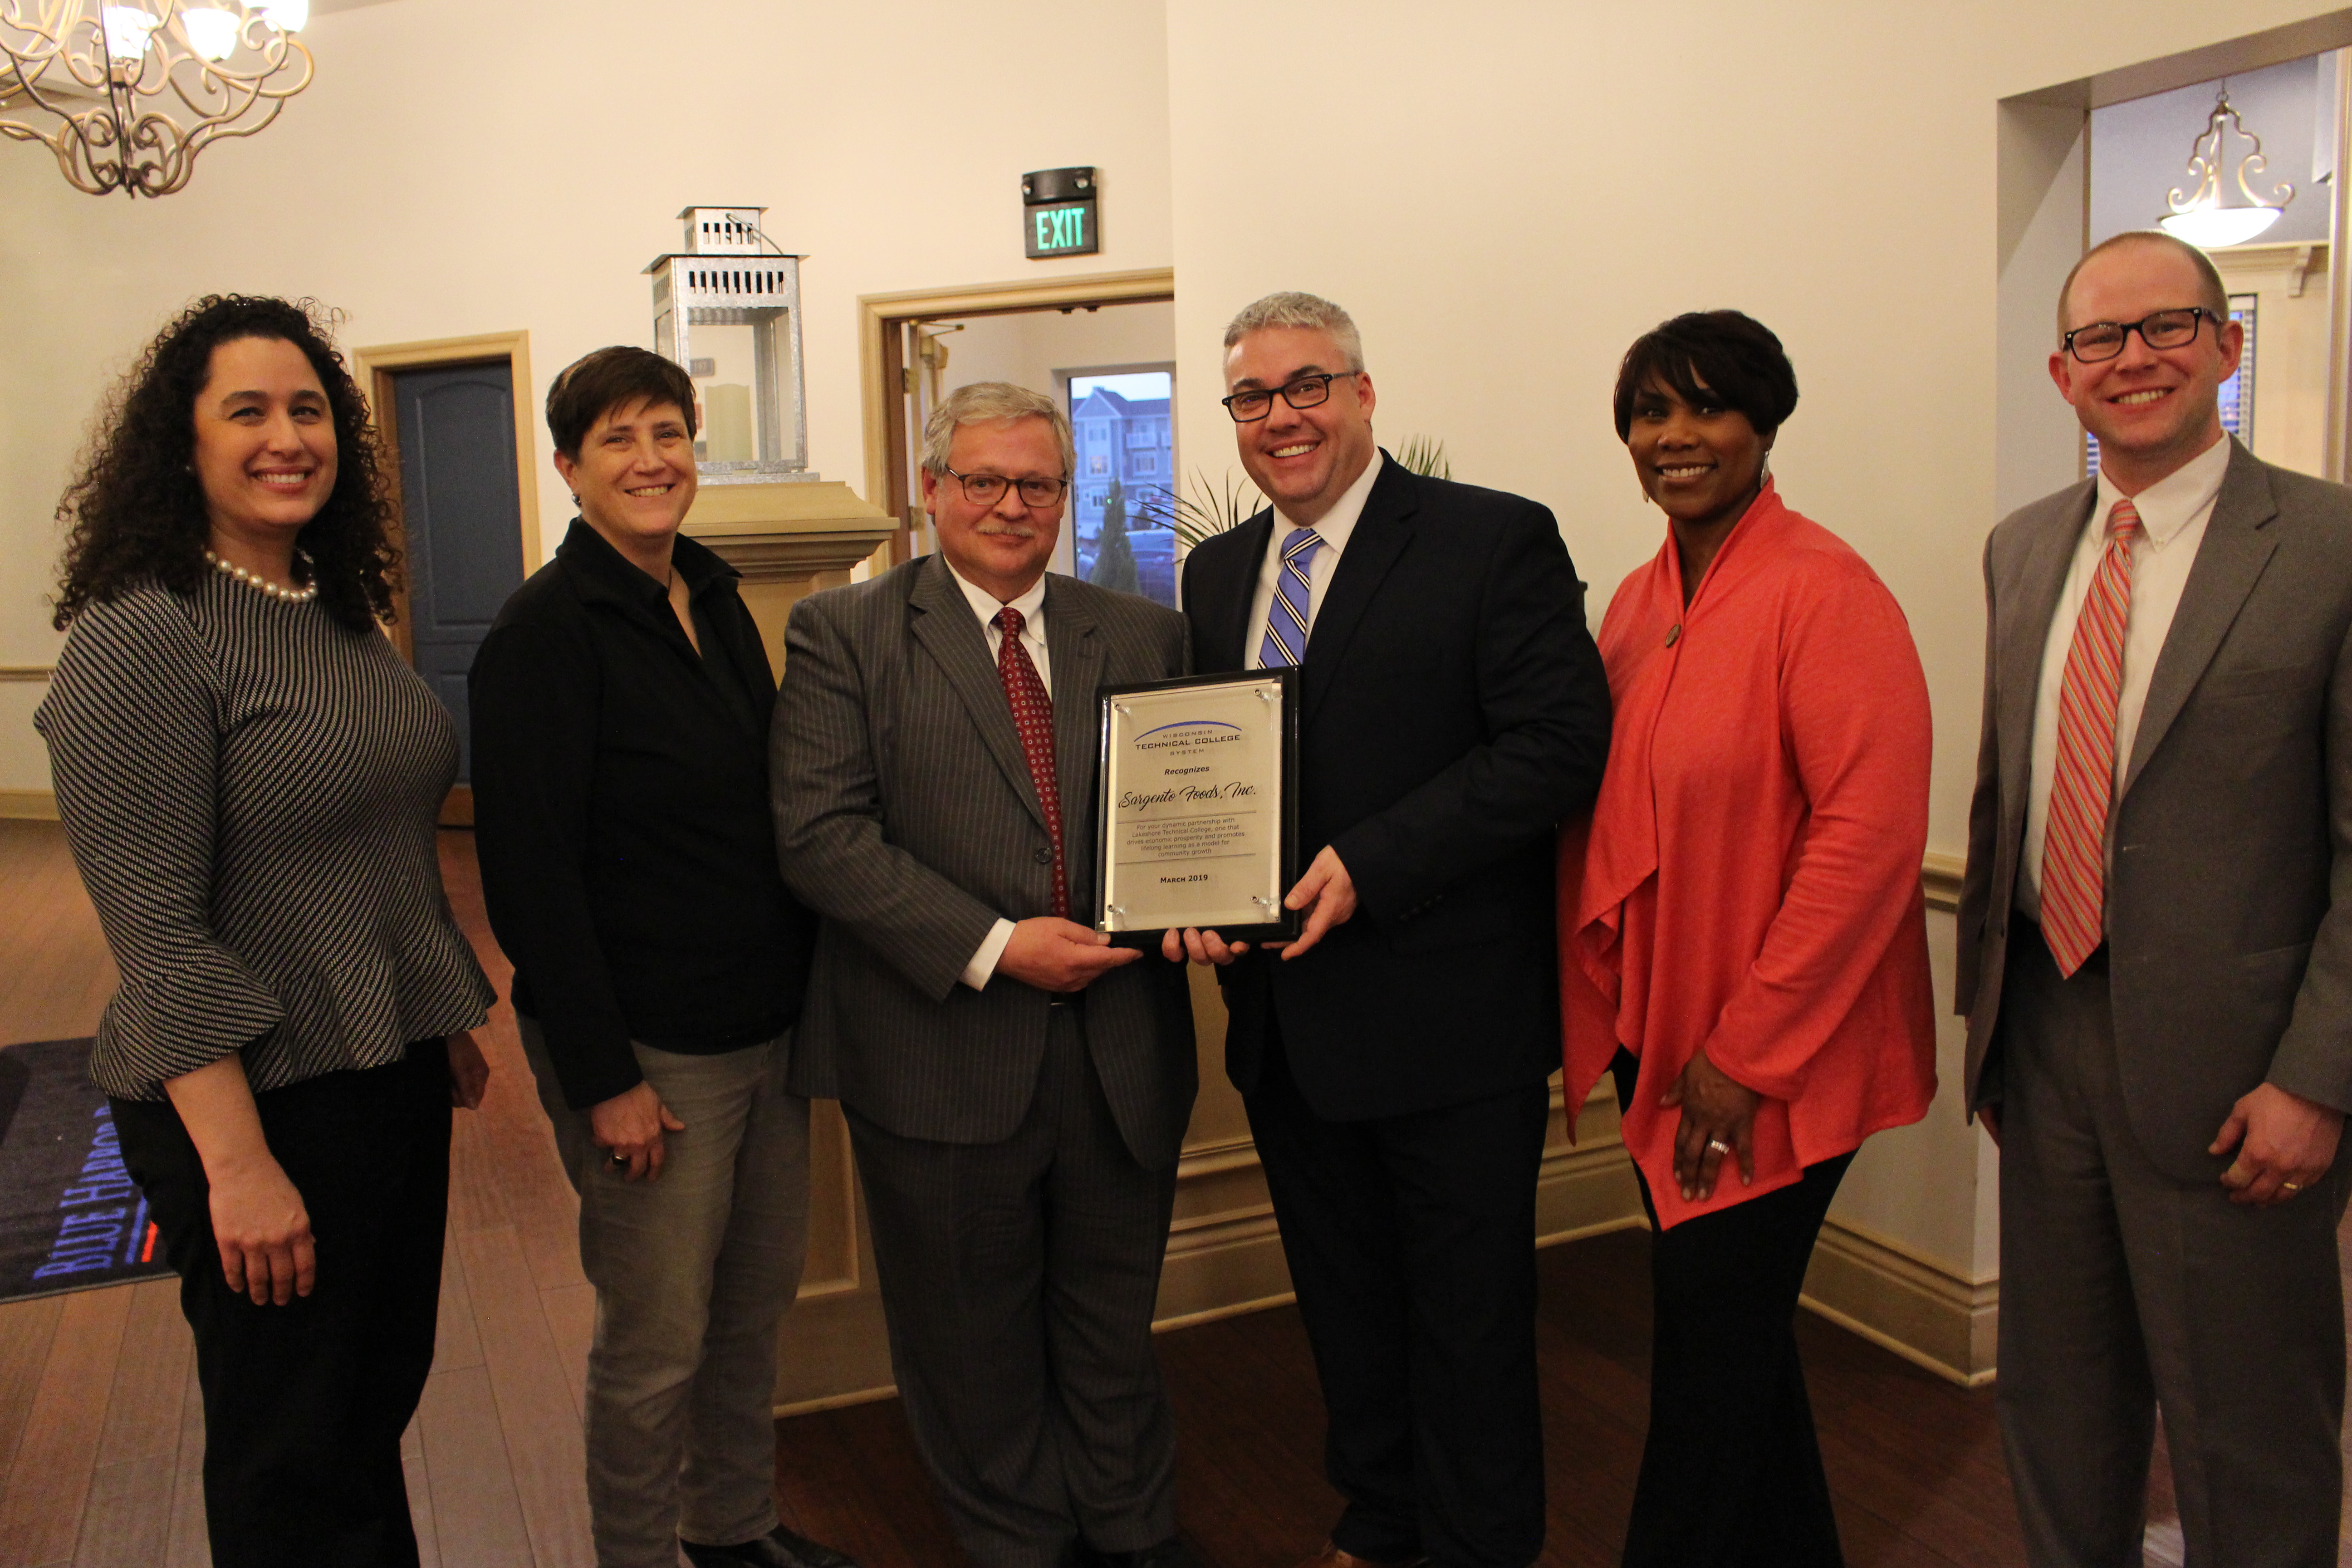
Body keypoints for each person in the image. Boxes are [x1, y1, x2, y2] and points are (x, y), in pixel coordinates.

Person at [34, 293, 494, 1568]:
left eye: (307, 409)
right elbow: (159, 937)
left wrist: (436, 1012)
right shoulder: (142, 640)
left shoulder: (332, 614)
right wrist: (239, 1169)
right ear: (181, 445)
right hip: (251, 1099)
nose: (286, 436)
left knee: (365, 1410)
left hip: (378, 1071)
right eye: (247, 410)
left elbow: (384, 840)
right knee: (290, 1449)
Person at [1166, 293, 1611, 1568]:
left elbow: (1558, 745)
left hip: (1447, 1025)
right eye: (1253, 398)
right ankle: (1381, 1519)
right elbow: (1210, 771)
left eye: (1309, 386)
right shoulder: (1216, 571)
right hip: (1288, 1027)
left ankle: (1478, 1545)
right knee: (1346, 1307)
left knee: (1468, 1323)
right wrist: (1194, 894)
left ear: (1365, 395)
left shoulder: (1490, 540)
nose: (1281, 418)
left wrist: (1371, 862)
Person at [1959, 230, 2352, 1568]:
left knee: (2249, 1426)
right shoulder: (2023, 549)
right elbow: (2003, 801)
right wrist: (1993, 1041)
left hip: (2243, 1075)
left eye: (2168, 327)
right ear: (2062, 377)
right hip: (2049, 1036)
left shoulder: (2329, 546)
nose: (2134, 360)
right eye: (2099, 341)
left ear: (2227, 347)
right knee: (2060, 1404)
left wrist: (2321, 1079)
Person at [772, 381, 1198, 1568]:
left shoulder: (1143, 630)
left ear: (1068, 495)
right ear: (932, 491)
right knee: (971, 1344)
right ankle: (1020, 1545)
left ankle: (1134, 1534)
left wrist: (1214, 903)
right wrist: (1000, 947)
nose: (1013, 505)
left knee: (1114, 1325)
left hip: (1122, 1049)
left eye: (1039, 484)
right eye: (984, 481)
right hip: (940, 1050)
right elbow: (820, 835)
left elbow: (1189, 820)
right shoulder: (844, 633)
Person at [1558, 310, 1937, 1565]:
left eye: (1707, 407)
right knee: (1742, 1348)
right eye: (1650, 413)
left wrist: (1746, 1053)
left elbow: (1867, 842)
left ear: (1764, 425)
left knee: (1709, 1359)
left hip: (1765, 1053)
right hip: (1661, 1039)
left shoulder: (1827, 592)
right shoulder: (1635, 601)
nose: (1675, 437)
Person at [468, 346, 844, 1568]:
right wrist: (605, 1078)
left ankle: (731, 1533)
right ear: (570, 467)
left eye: (669, 433)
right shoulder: (544, 634)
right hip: (648, 1053)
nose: (652, 460)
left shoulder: (713, 593)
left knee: (748, 1317)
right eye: (618, 439)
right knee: (654, 1345)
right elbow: (531, 884)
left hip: (764, 1034)